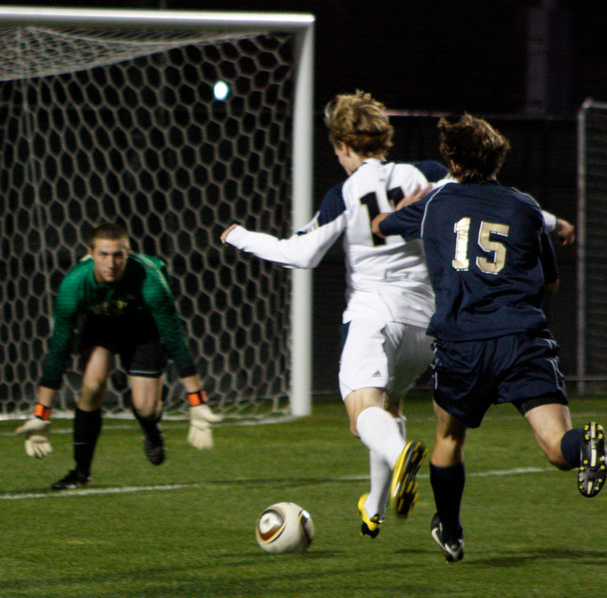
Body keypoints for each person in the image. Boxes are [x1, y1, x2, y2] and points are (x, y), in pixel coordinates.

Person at [373, 114, 606, 563]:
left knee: (449, 437)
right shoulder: (525, 207)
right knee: (557, 448)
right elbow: (551, 283)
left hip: (462, 344)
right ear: (497, 158)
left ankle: (451, 532)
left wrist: (405, 206)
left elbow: (381, 225)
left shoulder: (435, 204)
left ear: (454, 160)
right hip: (522, 339)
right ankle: (589, 447)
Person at [221, 91, 429, 538]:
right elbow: (483, 197)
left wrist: (240, 236)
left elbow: (301, 254)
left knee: (362, 416)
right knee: (388, 407)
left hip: (374, 316)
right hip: (425, 325)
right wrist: (550, 223)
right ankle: (374, 507)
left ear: (344, 145)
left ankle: (401, 456)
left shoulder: (346, 193)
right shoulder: (425, 174)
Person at [16, 223, 222, 490]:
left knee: (146, 408)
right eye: (103, 254)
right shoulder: (73, 285)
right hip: (101, 325)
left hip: (143, 328)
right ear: (90, 253)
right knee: (92, 384)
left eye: (117, 255)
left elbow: (175, 340)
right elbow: (59, 350)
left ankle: (150, 428)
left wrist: (197, 402)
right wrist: (41, 414)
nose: (110, 263)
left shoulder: (150, 279)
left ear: (128, 253)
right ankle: (80, 473)